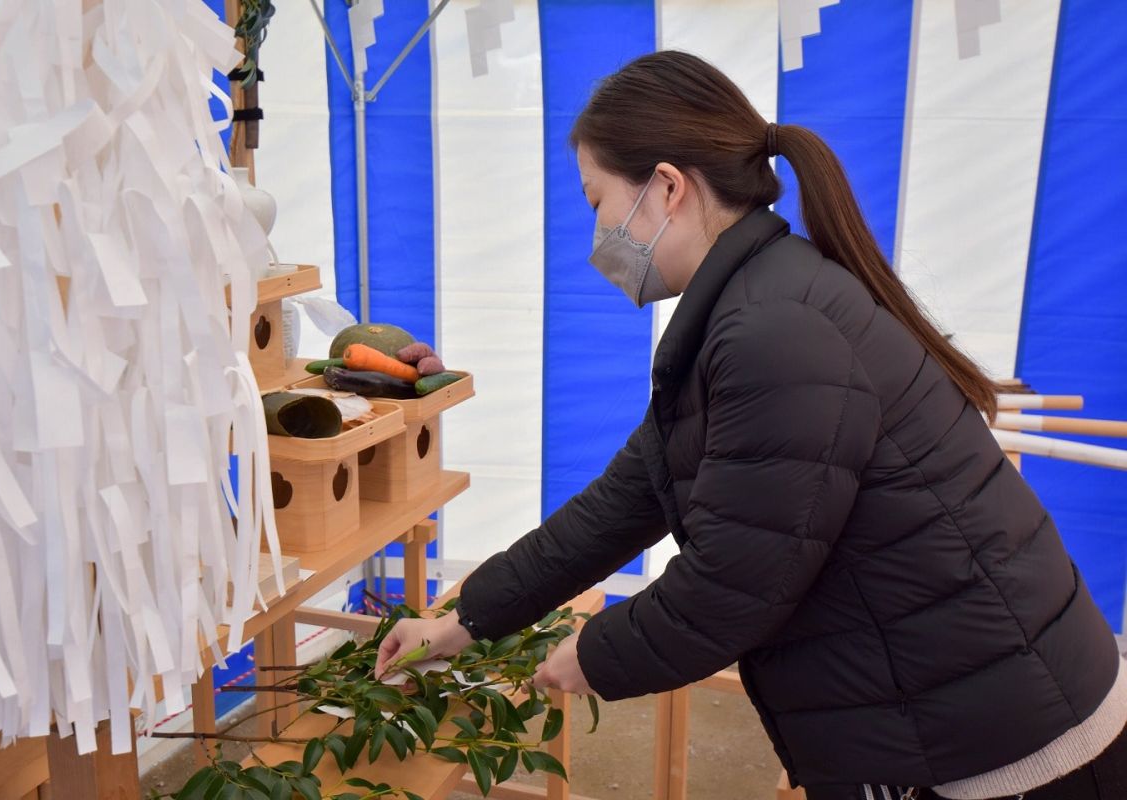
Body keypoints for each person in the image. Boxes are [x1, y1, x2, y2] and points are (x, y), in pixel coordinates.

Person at [373, 51, 1127, 800]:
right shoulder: (751, 306)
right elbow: (620, 503)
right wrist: (466, 618)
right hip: (957, 708)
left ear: (666, 187)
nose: (597, 234)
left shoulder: (772, 329)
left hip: (1013, 746)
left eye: (596, 201)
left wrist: (593, 655)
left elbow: (735, 585)